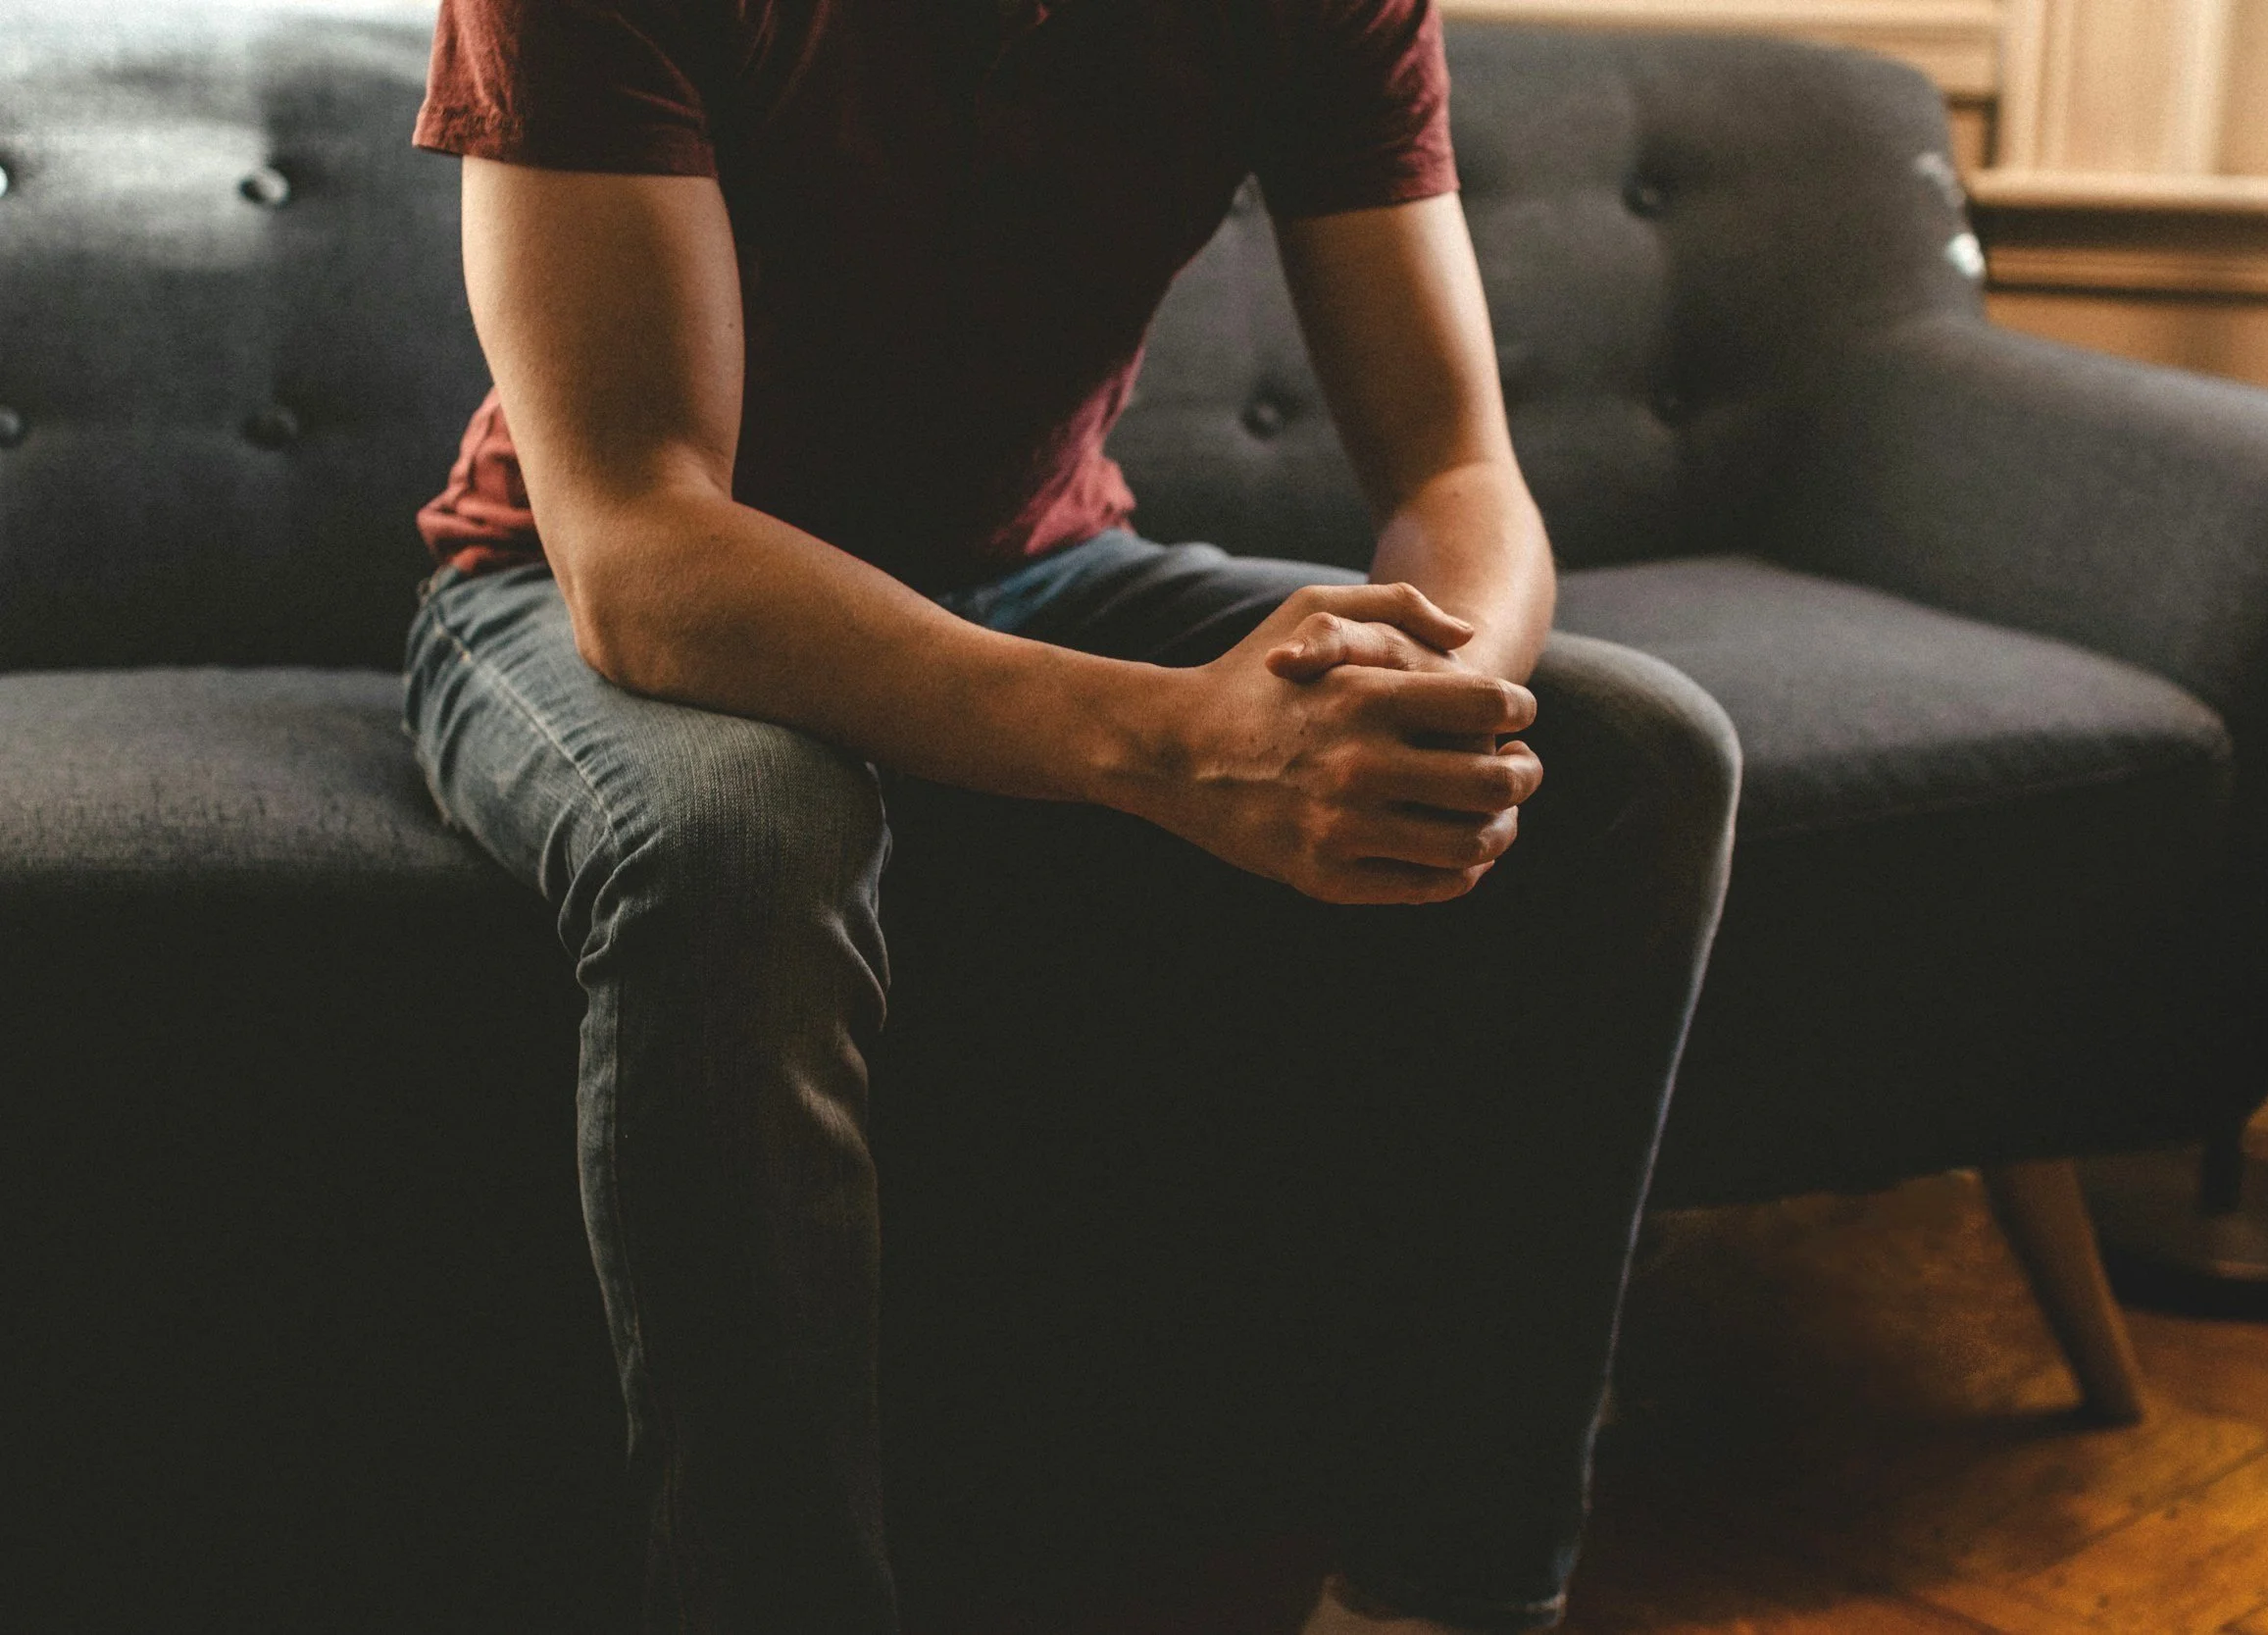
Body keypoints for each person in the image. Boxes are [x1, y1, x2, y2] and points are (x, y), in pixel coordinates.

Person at [402, 0, 1739, 1629]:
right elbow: (638, 548)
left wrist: (1421, 711)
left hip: (1042, 569)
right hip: (578, 585)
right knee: (743, 837)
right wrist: (1176, 746)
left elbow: (1459, 470)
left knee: (1638, 759)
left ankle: (1445, 1597)